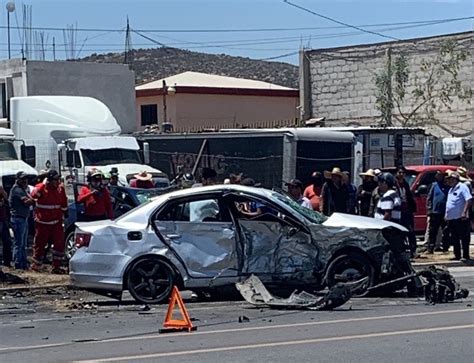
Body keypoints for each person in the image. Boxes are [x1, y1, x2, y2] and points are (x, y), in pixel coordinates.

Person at [30, 170, 68, 273]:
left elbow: (64, 203)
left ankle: (56, 267)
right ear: (49, 180)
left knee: (59, 244)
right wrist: (43, 185)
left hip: (56, 222)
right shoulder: (41, 188)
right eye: (56, 180)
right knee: (39, 244)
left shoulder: (60, 189)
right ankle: (36, 266)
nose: (58, 182)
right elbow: (33, 195)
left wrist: (65, 212)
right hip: (42, 223)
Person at [9, 172, 35, 270]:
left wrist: (32, 200)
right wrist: (32, 200)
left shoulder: (23, 189)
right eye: (23, 179)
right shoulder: (16, 189)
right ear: (17, 179)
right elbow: (28, 202)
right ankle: (17, 264)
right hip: (17, 219)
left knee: (24, 243)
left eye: (26, 178)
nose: (25, 180)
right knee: (18, 243)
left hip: (24, 219)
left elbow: (31, 200)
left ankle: (23, 264)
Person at [445, 171, 472, 261]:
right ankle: (457, 255)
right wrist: (447, 215)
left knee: (464, 237)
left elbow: (468, 199)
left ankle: (465, 256)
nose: (449, 181)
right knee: (454, 237)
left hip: (461, 217)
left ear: (456, 179)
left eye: (451, 179)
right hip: (452, 218)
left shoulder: (462, 187)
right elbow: (450, 203)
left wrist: (464, 212)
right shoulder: (451, 189)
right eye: (449, 179)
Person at [425, 170, 449, 254]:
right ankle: (430, 248)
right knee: (433, 231)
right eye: (437, 175)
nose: (438, 176)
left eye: (440, 175)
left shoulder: (448, 186)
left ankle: (445, 247)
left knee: (446, 231)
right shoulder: (434, 185)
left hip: (445, 213)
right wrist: (429, 210)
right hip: (435, 212)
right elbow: (429, 198)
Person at [395, 166, 417, 255]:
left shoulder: (406, 184)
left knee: (410, 231)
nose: (401, 174)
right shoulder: (394, 184)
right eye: (399, 172)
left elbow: (409, 197)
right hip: (398, 210)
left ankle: (413, 250)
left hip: (407, 211)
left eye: (403, 173)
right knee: (399, 232)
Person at [0, 186, 12, 267]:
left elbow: (6, 198)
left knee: (7, 241)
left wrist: (2, 191)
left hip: (3, 219)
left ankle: (7, 261)